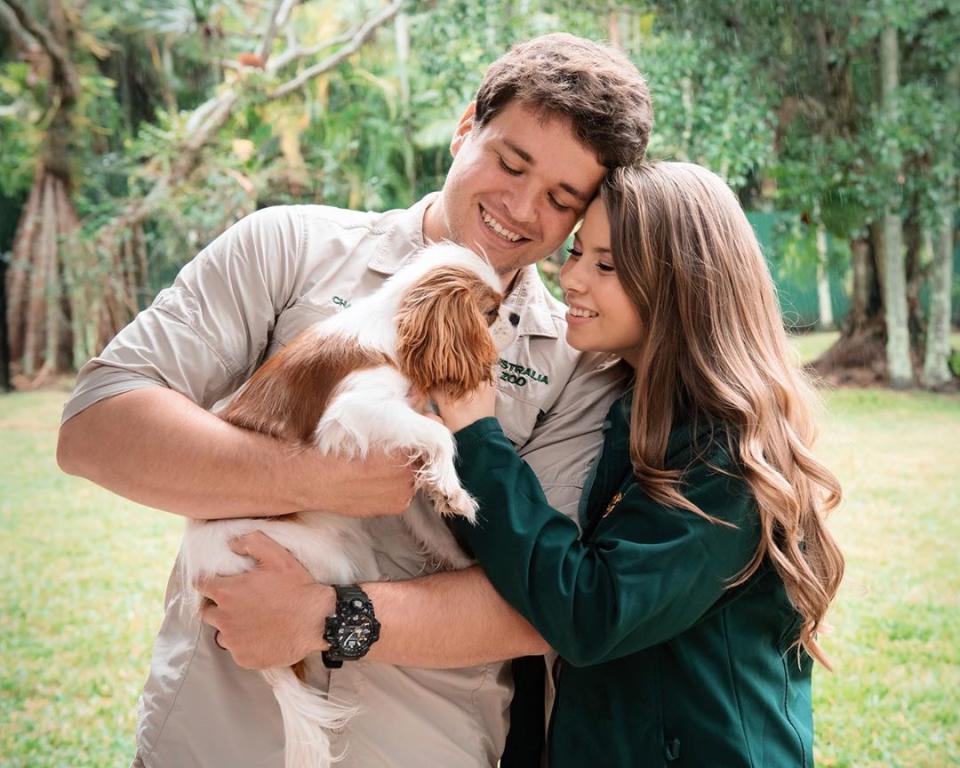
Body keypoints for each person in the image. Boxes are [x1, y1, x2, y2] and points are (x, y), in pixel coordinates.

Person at [56, 34, 653, 767]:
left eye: (563, 200)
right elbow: (94, 428)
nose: (521, 208)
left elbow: (545, 603)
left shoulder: (575, 362)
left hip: (425, 744)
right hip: (215, 740)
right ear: (467, 127)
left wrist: (325, 619)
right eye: (510, 161)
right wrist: (313, 476)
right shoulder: (289, 248)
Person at [430, 162, 846, 766]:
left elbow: (591, 611)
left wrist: (475, 433)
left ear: (681, 286)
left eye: (606, 265)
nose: (569, 277)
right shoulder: (629, 407)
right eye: (576, 253)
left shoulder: (726, 453)